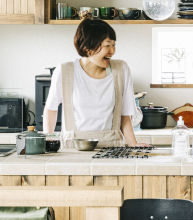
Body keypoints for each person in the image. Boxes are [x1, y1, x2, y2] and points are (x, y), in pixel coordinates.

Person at [43, 19, 149, 147]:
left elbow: (125, 115)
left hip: (111, 149)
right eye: (107, 45)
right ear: (88, 47)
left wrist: (133, 143)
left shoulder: (121, 69)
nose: (112, 51)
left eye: (114, 45)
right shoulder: (65, 71)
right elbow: (51, 108)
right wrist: (47, 141)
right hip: (73, 149)